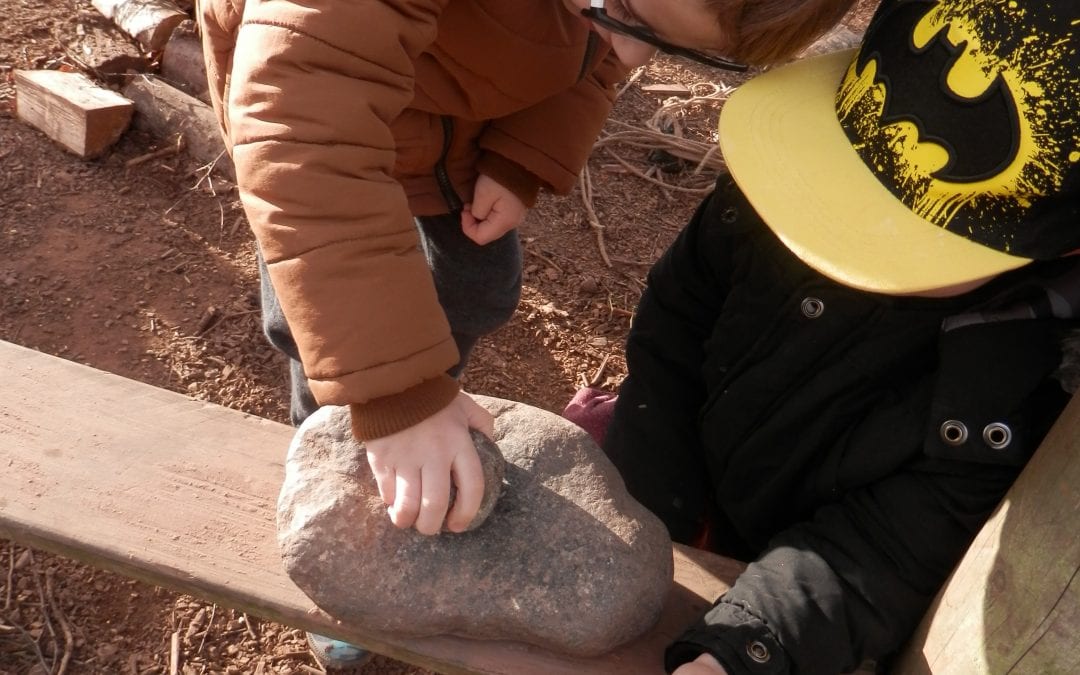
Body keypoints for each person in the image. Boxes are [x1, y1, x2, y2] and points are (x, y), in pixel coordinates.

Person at [197, 0, 857, 668]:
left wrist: (525, 154)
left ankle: (418, 411)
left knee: (478, 289)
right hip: (318, 142)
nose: (625, 46)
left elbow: (599, 54)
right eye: (626, 12)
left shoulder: (626, 12)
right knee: (329, 330)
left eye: (659, 39)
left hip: (455, 126)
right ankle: (341, 478)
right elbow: (302, 119)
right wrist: (395, 390)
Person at [567, 0, 1080, 673]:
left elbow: (885, 550)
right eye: (848, 183)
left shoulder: (1010, 386)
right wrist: (650, 495)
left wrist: (746, 646)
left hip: (801, 578)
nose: (850, 229)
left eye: (909, 234)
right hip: (692, 474)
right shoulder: (774, 192)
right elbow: (677, 320)